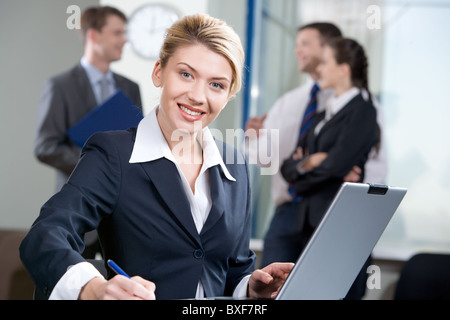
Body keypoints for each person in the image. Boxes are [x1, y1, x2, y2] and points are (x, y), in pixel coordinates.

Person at [20, 13, 294, 300]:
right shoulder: (114, 153)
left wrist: (250, 287)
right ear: (158, 72)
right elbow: (46, 235)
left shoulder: (235, 165)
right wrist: (93, 289)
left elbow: (233, 268)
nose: (198, 96)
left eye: (216, 84)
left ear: (228, 95)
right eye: (186, 74)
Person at [34, 6, 142, 259]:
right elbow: (45, 146)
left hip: (124, 213)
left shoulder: (130, 88)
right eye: (117, 33)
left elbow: (137, 141)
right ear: (94, 36)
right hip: (79, 208)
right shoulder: (60, 86)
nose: (124, 40)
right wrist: (96, 165)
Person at [278, 37, 379, 299]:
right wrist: (311, 161)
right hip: (311, 223)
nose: (318, 69)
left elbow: (335, 166)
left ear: (344, 69)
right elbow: (287, 167)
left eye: (324, 63)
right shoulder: (324, 115)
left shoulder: (363, 111)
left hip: (342, 224)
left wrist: (303, 174)